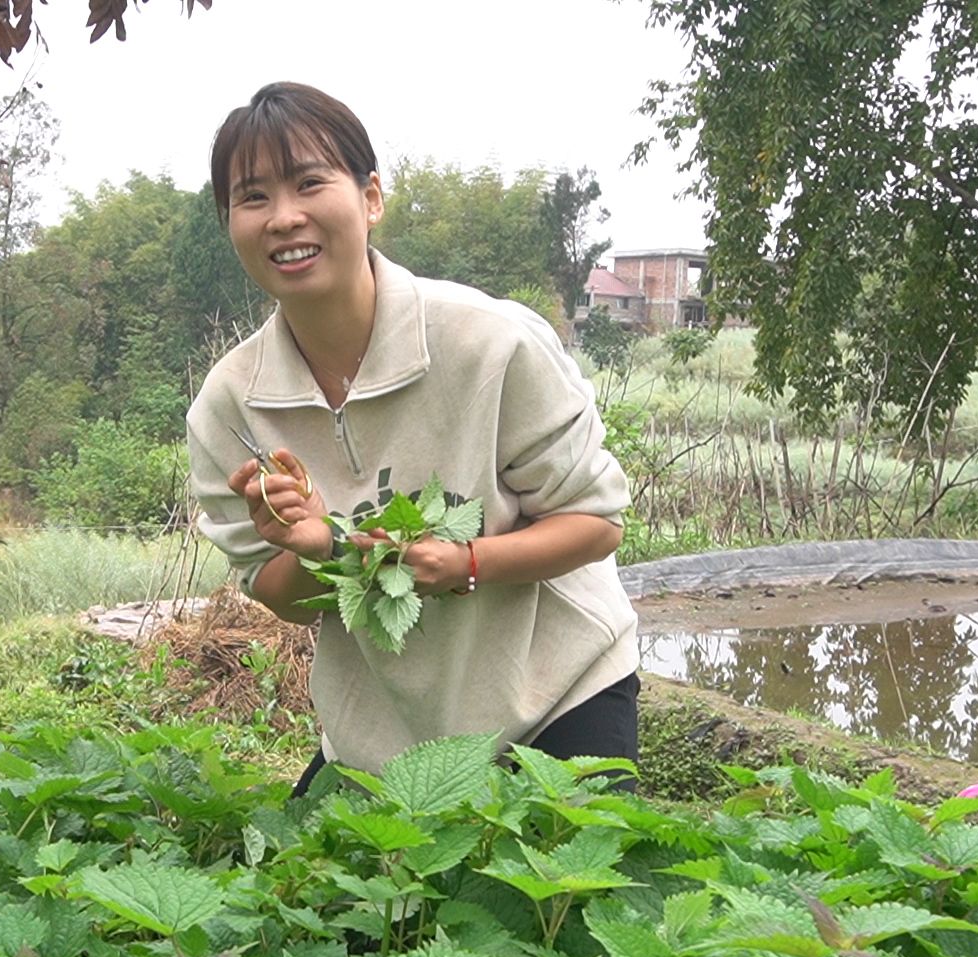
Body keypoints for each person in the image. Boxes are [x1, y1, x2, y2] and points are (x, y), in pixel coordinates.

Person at [186, 82, 640, 797]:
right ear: (230, 223)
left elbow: (596, 524)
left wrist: (466, 562)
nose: (285, 217)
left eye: (310, 182)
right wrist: (310, 549)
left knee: (562, 902)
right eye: (253, 197)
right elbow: (284, 595)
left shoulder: (489, 344)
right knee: (323, 899)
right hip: (382, 728)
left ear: (370, 198)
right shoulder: (230, 408)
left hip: (556, 690)